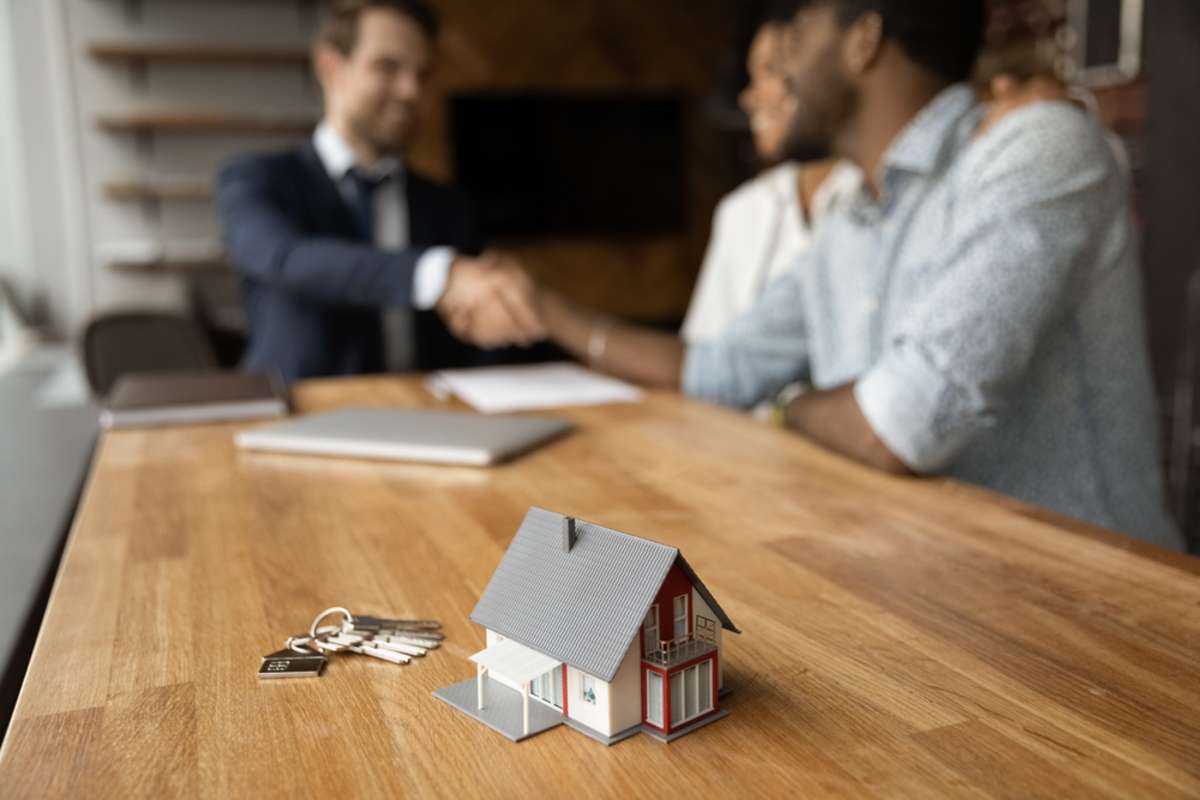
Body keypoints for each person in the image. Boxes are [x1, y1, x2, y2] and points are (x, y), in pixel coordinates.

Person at [514, 0, 1182, 549]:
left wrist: (787, 406)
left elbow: (899, 426)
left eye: (797, 35)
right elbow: (717, 370)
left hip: (1093, 612)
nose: (780, 67)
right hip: (927, 584)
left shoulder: (1035, 149)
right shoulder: (848, 221)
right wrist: (546, 309)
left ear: (863, 39)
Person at [217, 0, 543, 382]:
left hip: (432, 420)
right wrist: (437, 275)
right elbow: (287, 259)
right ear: (330, 68)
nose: (410, 90)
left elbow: (477, 340)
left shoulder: (448, 205)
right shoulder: (257, 179)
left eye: (423, 75)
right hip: (301, 413)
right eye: (388, 67)